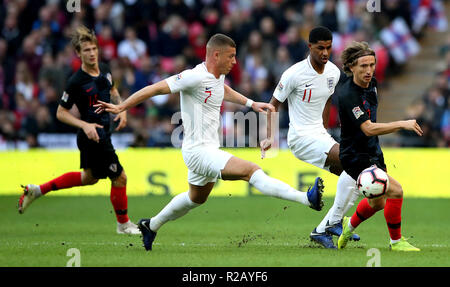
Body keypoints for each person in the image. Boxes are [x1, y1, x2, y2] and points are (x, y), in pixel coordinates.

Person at [94, 33, 325, 251]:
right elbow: (156, 88)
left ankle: (150, 226)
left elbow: (220, 89)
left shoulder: (216, 76)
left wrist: (251, 104)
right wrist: (122, 106)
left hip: (207, 150)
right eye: (231, 56)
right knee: (251, 170)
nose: (235, 61)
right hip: (198, 151)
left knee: (196, 198)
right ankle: (306, 198)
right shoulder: (193, 76)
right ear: (216, 55)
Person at [18, 26, 140, 235]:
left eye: (94, 49)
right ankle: (124, 224)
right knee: (120, 178)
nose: (91, 53)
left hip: (104, 132)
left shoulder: (105, 69)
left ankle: (37, 190)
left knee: (89, 178)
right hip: (92, 136)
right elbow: (60, 112)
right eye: (86, 50)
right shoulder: (76, 82)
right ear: (78, 54)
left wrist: (122, 109)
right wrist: (84, 125)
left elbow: (112, 90)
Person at [261, 26, 360, 249]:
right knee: (354, 163)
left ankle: (323, 229)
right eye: (320, 48)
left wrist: (325, 128)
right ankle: (334, 223)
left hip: (319, 135)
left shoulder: (334, 72)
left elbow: (326, 100)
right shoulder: (293, 74)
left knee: (355, 177)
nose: (325, 53)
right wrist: (269, 137)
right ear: (310, 47)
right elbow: (272, 106)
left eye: (328, 48)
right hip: (300, 138)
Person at [337, 41, 422, 251]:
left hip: (373, 150)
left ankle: (349, 225)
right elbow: (367, 128)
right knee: (396, 191)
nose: (368, 70)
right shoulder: (348, 95)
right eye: (363, 66)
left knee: (378, 203)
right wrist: (402, 123)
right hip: (354, 155)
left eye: (372, 65)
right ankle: (396, 242)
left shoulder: (373, 84)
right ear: (351, 67)